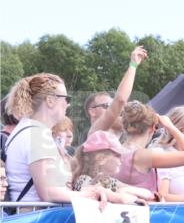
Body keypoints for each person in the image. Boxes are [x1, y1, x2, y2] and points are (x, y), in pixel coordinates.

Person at [3, 73, 107, 209]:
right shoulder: (38, 134)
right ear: (50, 100)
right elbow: (48, 192)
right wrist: (88, 195)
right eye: (66, 99)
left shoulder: (25, 130)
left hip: (31, 219)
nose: (68, 105)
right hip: (39, 222)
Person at [118, 101, 184, 196]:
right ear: (154, 127)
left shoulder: (116, 151)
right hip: (141, 208)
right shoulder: (141, 156)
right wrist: (171, 127)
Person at [71, 131, 151, 204]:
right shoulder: (83, 179)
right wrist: (117, 195)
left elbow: (147, 194)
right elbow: (88, 192)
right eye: (117, 155)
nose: (122, 159)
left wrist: (124, 190)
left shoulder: (107, 181)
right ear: (101, 159)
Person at [87, 45, 148, 137]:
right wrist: (133, 65)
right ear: (92, 112)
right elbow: (120, 100)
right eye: (107, 106)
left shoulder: (121, 142)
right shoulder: (96, 134)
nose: (120, 110)